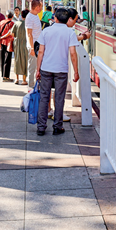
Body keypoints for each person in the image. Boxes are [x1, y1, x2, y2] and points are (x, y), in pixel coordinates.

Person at [35, 8, 80, 136]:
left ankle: (41, 127)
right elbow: (73, 53)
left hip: (46, 68)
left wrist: (38, 69)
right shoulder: (70, 32)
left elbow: (41, 52)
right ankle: (57, 126)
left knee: (44, 97)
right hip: (61, 70)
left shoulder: (46, 31)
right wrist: (76, 71)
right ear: (67, 19)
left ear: (55, 18)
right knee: (59, 98)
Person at [26, 0, 43, 88]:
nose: (41, 8)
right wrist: (32, 48)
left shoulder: (35, 16)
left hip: (37, 45)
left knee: (37, 67)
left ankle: (36, 86)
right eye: (41, 7)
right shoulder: (30, 17)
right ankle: (31, 86)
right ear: (37, 7)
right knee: (32, 67)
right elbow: (29, 34)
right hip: (33, 46)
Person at [12, 9, 29, 85]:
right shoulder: (29, 24)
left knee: (17, 60)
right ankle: (24, 80)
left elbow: (12, 34)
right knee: (25, 60)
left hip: (17, 43)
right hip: (26, 43)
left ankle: (17, 79)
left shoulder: (17, 23)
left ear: (21, 16)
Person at [0, 10, 15, 82]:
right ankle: (6, 77)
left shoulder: (1, 22)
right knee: (7, 60)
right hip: (8, 43)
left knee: (2, 59)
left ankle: (3, 75)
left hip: (2, 42)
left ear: (6, 15)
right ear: (12, 16)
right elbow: (10, 33)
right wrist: (2, 37)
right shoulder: (12, 23)